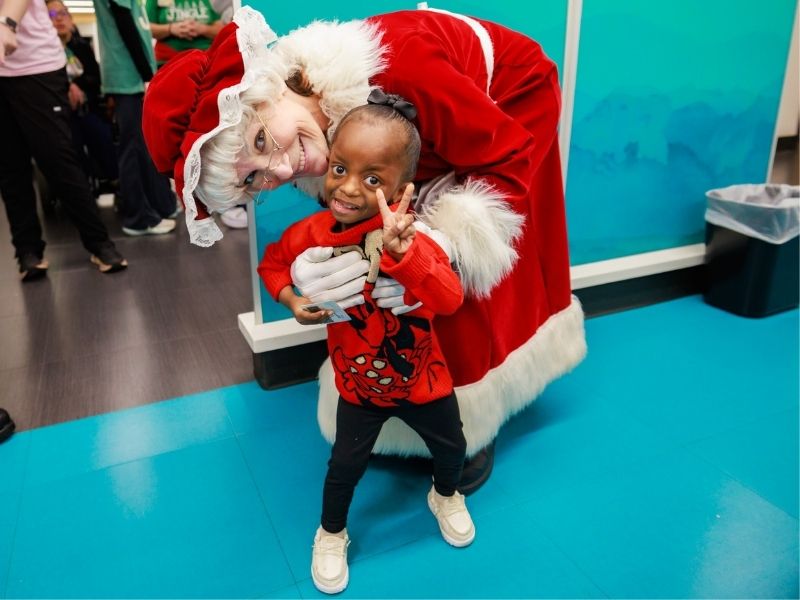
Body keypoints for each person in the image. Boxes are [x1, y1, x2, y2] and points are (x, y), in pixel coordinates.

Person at [142, 6, 587, 493]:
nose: (284, 171)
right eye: (254, 179)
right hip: (425, 131)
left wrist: (438, 247)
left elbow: (504, 158)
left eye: (264, 140)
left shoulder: (403, 66)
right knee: (398, 257)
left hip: (507, 105)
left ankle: (469, 426)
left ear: (266, 91)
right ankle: (399, 410)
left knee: (460, 268)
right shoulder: (302, 126)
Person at [260, 100, 474, 594]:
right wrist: (293, 298)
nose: (349, 187)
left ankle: (445, 496)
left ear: (401, 191)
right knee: (343, 468)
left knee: (454, 447)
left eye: (373, 179)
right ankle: (331, 533)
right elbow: (271, 265)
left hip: (425, 381)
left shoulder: (420, 239)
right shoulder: (307, 235)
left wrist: (407, 257)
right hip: (357, 388)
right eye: (339, 168)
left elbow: (449, 298)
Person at [0, 0, 128, 280]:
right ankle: (28, 252)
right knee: (10, 167)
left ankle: (99, 243)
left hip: (35, 64)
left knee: (58, 159)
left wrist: (6, 24)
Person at [93, 0, 177, 236]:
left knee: (145, 146)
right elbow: (124, 22)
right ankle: (138, 218)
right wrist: (146, 74)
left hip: (132, 76)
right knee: (134, 148)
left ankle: (162, 205)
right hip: (128, 77)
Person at [47, 0, 119, 192]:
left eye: (63, 13)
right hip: (60, 113)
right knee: (70, 146)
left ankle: (113, 179)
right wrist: (67, 87)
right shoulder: (45, 53)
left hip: (88, 108)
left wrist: (77, 86)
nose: (59, 19)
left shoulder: (82, 47)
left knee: (103, 135)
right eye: (52, 16)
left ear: (70, 19)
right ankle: (82, 188)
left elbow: (96, 77)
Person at [145, 0, 224, 69]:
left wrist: (203, 29)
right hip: (167, 61)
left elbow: (222, 30)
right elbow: (145, 28)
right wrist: (170, 29)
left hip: (206, 61)